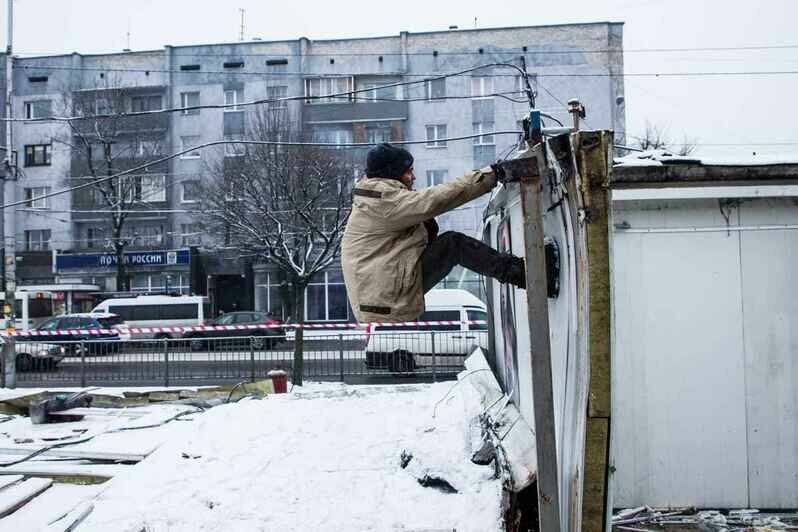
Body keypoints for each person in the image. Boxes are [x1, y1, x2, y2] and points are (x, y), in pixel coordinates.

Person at [342, 143, 526, 323]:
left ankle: (517, 271)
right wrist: (490, 175)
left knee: (432, 229)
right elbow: (435, 199)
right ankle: (521, 273)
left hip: (380, 296)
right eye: (408, 171)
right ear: (393, 174)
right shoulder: (384, 201)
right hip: (386, 298)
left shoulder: (374, 199)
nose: (413, 177)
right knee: (453, 245)